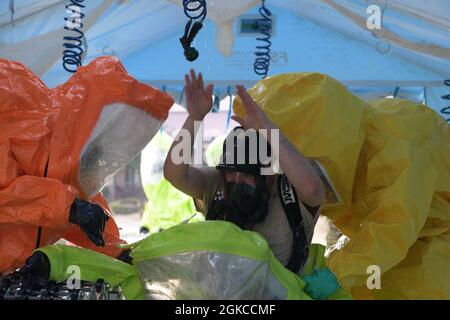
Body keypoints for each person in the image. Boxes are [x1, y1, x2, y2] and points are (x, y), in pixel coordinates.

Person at [0, 56, 173, 275]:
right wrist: (70, 208)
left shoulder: (62, 159)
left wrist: (117, 252)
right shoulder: (18, 123)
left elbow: (83, 211)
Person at [164, 69, 325, 274]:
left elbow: (312, 189)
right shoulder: (219, 184)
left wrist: (268, 131)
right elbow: (174, 174)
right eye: (232, 172)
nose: (237, 180)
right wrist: (194, 118)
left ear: (268, 174)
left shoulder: (289, 193)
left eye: (248, 174)